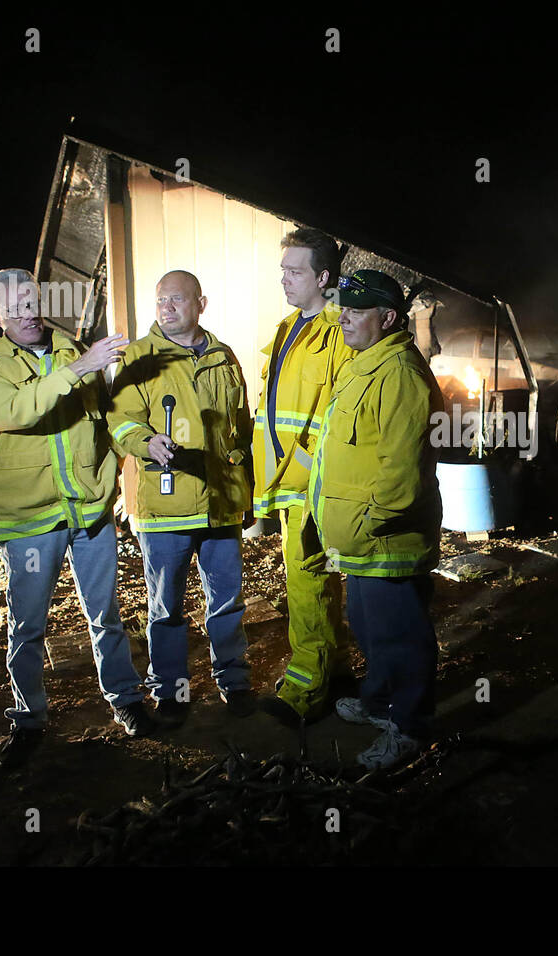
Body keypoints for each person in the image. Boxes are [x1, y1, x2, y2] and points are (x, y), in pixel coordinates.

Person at [0, 267, 153, 770]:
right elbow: (13, 412)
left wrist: (134, 450)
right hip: (31, 516)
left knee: (105, 613)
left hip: (88, 507)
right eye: (13, 306)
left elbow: (106, 418)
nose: (27, 313)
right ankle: (28, 720)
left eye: (32, 301)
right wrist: (78, 369)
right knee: (27, 626)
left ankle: (126, 701)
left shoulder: (74, 348)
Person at [106, 270, 255, 723]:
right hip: (165, 506)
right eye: (160, 301)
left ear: (200, 303)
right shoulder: (139, 358)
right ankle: (170, 692)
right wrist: (146, 441)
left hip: (220, 503)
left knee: (227, 600)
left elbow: (241, 428)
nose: (166, 307)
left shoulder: (223, 356)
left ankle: (234, 680)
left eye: (176, 299)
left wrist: (244, 492)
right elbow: (120, 421)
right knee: (166, 606)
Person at [309, 270, 444, 769]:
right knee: (369, 627)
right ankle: (378, 701)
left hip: (386, 540)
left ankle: (407, 728)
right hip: (360, 540)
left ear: (387, 318)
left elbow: (401, 476)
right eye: (342, 308)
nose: (342, 317)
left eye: (355, 311)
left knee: (400, 636)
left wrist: (365, 524)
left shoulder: (401, 376)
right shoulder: (366, 362)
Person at [252, 228, 355, 724]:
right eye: (283, 271)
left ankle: (306, 694)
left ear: (323, 277)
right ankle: (333, 671)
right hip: (287, 479)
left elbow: (342, 413)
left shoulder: (339, 331)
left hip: (313, 483)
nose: (285, 280)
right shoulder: (288, 327)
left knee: (308, 579)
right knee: (309, 577)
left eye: (295, 272)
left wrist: (319, 476)